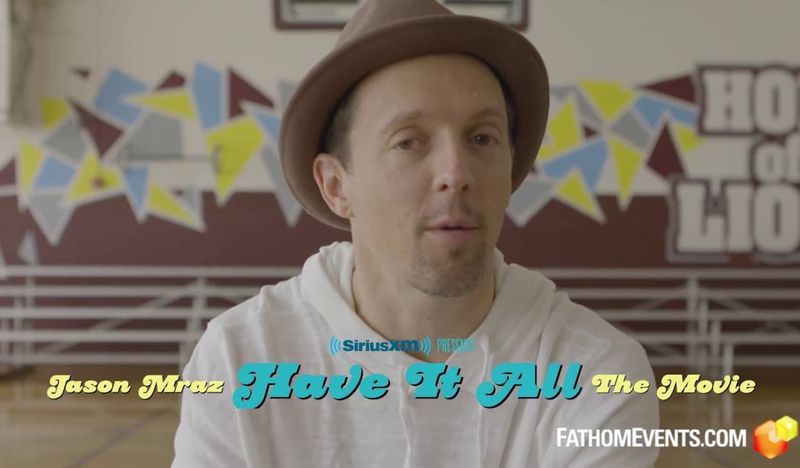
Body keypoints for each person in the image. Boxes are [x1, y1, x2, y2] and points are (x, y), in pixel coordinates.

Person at [172, 0, 659, 466]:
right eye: (408, 142)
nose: (456, 172)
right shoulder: (239, 359)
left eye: (482, 138)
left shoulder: (597, 373)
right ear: (336, 186)